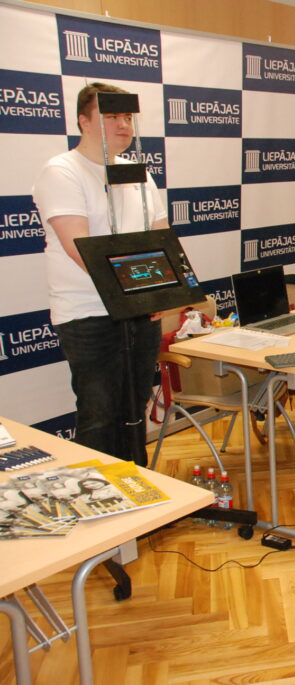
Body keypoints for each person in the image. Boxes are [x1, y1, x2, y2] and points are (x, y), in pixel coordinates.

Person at [32, 82, 168, 464]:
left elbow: (160, 237)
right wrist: (143, 292)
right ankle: (99, 493)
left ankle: (137, 484)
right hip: (88, 313)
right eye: (111, 116)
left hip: (140, 310)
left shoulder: (137, 173)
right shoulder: (62, 171)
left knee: (134, 406)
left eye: (127, 116)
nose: (123, 125)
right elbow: (82, 249)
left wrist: (159, 293)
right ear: (84, 121)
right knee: (100, 413)